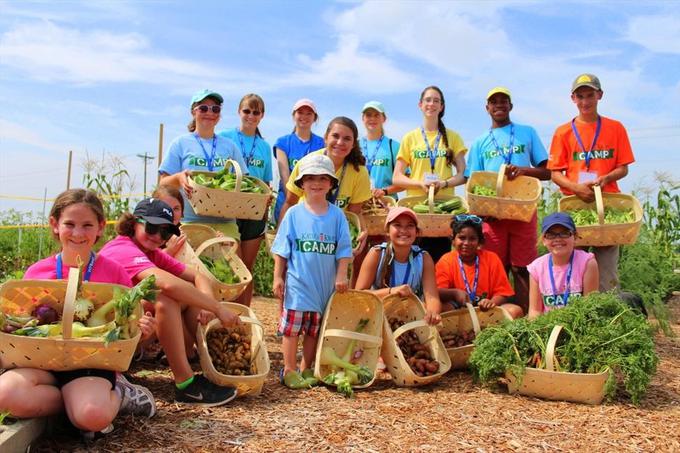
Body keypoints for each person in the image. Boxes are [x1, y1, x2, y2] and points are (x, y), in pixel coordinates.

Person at [0, 189, 156, 439]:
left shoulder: (114, 273)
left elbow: (129, 335)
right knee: (5, 396)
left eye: (87, 225)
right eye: (69, 224)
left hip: (92, 364)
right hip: (42, 362)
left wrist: (145, 332)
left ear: (100, 227)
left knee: (91, 416)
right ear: (54, 225)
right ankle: (75, 403)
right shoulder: (38, 272)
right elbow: (25, 325)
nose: (78, 233)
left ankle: (120, 394)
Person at [98, 198, 241, 406]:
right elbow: (165, 284)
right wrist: (218, 308)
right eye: (152, 227)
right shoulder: (122, 249)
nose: (157, 236)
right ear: (134, 222)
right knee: (165, 298)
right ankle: (186, 384)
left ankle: (219, 366)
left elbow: (199, 277)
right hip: (106, 338)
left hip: (129, 331)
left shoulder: (151, 253)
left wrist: (207, 305)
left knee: (190, 300)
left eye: (165, 232)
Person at [465, 86, 551, 314]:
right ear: (487, 108)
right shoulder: (480, 142)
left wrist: (523, 170)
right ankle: (499, 320)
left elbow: (546, 172)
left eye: (504, 101)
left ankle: (528, 316)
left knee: (523, 268)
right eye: (494, 102)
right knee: (496, 268)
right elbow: (474, 183)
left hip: (523, 212)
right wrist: (482, 212)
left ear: (511, 106)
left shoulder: (527, 132)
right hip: (492, 217)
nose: (499, 105)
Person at [271, 154, 352, 387]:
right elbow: (282, 249)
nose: (316, 183)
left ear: (331, 183)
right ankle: (288, 368)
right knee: (292, 329)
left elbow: (344, 249)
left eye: (322, 178)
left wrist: (341, 274)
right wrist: (278, 276)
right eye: (310, 178)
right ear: (301, 183)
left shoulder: (337, 216)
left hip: (324, 285)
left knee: (314, 329)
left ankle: (307, 368)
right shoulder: (294, 214)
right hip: (298, 283)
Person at [548, 74, 635, 291]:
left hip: (607, 205)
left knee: (607, 270)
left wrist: (607, 178)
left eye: (590, 95)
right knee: (572, 266)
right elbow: (555, 173)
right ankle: (574, 315)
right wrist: (576, 188)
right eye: (580, 96)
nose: (585, 101)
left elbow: (623, 167)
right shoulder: (563, 132)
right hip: (575, 205)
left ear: (600, 95)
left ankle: (608, 314)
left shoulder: (615, 128)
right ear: (573, 99)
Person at [280, 116, 371, 287]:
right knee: (294, 282)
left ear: (353, 144)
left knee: (328, 286)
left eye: (347, 139)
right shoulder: (306, 163)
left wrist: (361, 231)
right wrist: (281, 235)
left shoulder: (359, 172)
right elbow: (290, 203)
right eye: (335, 136)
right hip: (302, 233)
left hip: (333, 237)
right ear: (325, 137)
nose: (340, 142)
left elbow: (353, 215)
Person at [158, 89, 249, 241]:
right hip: (191, 222)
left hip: (225, 222)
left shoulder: (230, 146)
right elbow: (163, 183)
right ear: (193, 112)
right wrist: (179, 178)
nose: (210, 113)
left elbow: (245, 181)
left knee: (230, 265)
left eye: (215, 109)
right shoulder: (180, 143)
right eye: (203, 108)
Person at [392, 86, 467, 262]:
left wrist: (445, 184)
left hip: (443, 210)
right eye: (427, 100)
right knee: (414, 262)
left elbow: (463, 174)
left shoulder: (453, 137)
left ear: (441, 107)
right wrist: (419, 184)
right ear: (420, 104)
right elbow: (397, 177)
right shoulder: (410, 138)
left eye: (436, 100)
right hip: (417, 210)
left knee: (439, 264)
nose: (431, 104)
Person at [218, 94, 274, 306]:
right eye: (247, 111)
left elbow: (266, 181)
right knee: (231, 263)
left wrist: (267, 202)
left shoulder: (264, 146)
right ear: (239, 112)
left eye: (256, 112)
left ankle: (244, 313)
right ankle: (223, 311)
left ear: (262, 116)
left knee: (246, 266)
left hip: (254, 210)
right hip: (228, 208)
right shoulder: (225, 136)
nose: (251, 116)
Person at [355, 206, 442, 325]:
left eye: (410, 226)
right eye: (397, 225)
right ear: (387, 231)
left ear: (417, 232)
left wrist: (432, 313)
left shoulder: (424, 258)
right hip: (379, 318)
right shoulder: (377, 254)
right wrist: (392, 291)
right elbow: (359, 295)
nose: (404, 230)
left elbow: (432, 298)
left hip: (411, 319)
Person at [435, 214, 523, 319]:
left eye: (472, 239)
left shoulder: (491, 258)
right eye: (462, 238)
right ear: (453, 240)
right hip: (458, 311)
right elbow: (437, 291)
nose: (466, 243)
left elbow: (503, 293)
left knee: (515, 311)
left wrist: (491, 302)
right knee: (436, 308)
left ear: (480, 241)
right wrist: (454, 293)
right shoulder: (446, 260)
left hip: (486, 312)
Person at [527, 213, 599, 319]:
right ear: (544, 240)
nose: (558, 239)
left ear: (574, 237)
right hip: (548, 327)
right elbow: (534, 311)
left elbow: (590, 306)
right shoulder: (536, 268)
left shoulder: (587, 263)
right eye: (551, 235)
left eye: (564, 233)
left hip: (579, 325)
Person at [273, 99, 325, 223]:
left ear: (314, 118)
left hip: (314, 202)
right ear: (294, 116)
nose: (304, 117)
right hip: (286, 200)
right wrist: (295, 201)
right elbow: (285, 175)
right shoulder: (283, 142)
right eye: (300, 112)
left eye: (309, 113)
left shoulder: (322, 143)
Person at [360, 101, 401, 199]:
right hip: (359, 203)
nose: (372, 119)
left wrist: (384, 191)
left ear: (384, 119)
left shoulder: (394, 146)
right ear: (363, 118)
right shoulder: (354, 146)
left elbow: (405, 179)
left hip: (387, 202)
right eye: (368, 115)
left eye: (376, 115)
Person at [152, 185, 186, 257]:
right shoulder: (147, 233)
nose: (171, 213)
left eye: (176, 208)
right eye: (165, 208)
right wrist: (168, 251)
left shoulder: (185, 231)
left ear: (182, 211)